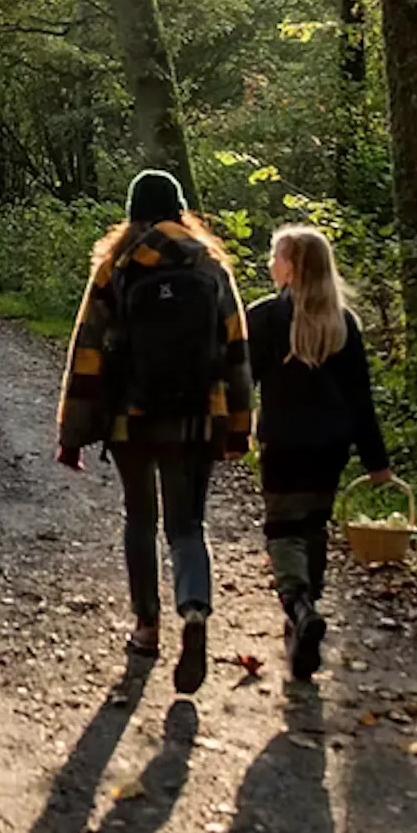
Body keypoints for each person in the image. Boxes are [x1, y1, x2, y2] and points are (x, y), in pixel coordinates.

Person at [55, 169, 255, 696]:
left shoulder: (117, 266)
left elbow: (88, 352)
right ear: (180, 209)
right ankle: (194, 610)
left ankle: (146, 627)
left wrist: (73, 434)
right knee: (187, 524)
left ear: (132, 213)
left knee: (140, 519)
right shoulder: (209, 265)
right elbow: (237, 351)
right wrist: (239, 428)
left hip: (132, 418)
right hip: (198, 416)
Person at [242, 224, 394, 681]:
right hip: (331, 445)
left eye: (276, 256)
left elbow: (242, 382)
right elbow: (360, 399)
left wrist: (228, 432)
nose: (271, 264)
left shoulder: (265, 317)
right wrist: (377, 461)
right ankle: (308, 610)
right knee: (313, 526)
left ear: (292, 267)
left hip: (283, 441)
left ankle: (299, 606)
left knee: (282, 529)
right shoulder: (343, 323)